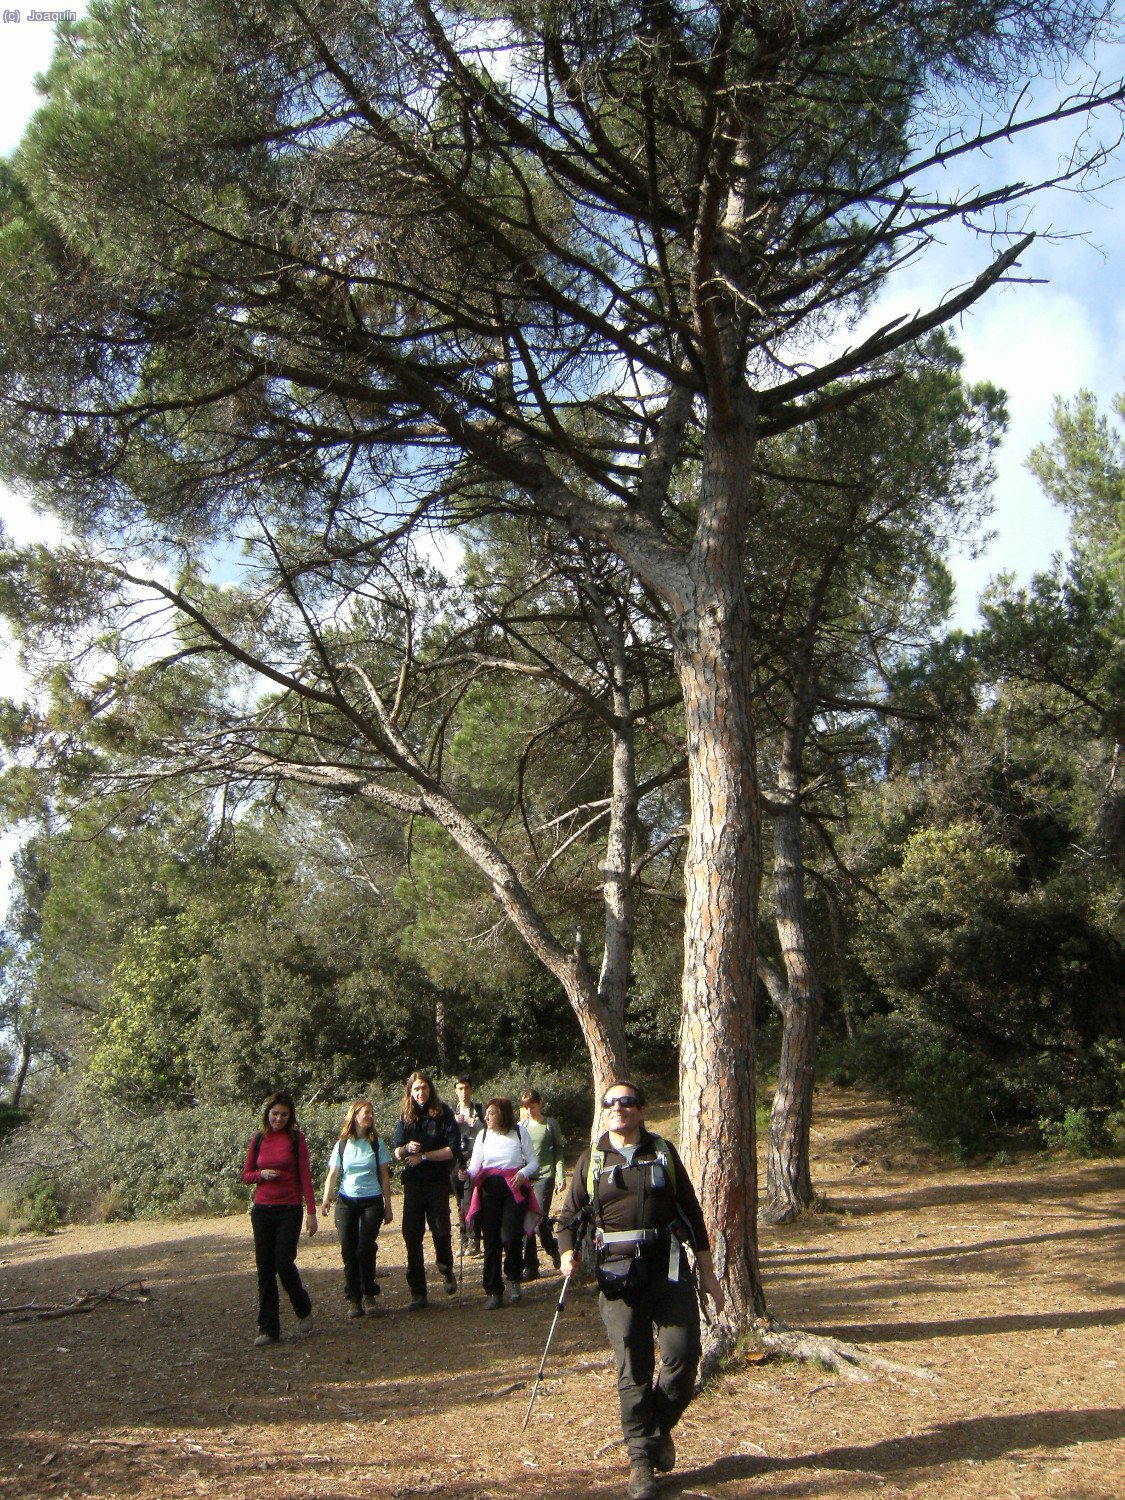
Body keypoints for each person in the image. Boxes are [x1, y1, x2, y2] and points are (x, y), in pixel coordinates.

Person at [557, 1081, 725, 1500]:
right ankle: (642, 1463)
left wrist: (707, 1274)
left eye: (627, 1102)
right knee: (632, 1369)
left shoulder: (663, 1152)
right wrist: (565, 1255)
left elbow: (692, 1211)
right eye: (611, 1102)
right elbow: (567, 1217)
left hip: (668, 1270)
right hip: (617, 1278)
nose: (619, 1108)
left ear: (641, 1110)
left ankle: (654, 1429)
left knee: (683, 1356)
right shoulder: (592, 1160)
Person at [242, 1089, 318, 1347]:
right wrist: (261, 1175)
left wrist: (311, 1212)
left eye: (284, 1115)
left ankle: (302, 1305)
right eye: (275, 1113)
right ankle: (268, 1328)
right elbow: (246, 1174)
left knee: (283, 1263)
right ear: (268, 1113)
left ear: (290, 1116)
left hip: (289, 1208)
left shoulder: (296, 1139)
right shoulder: (258, 1139)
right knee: (265, 1269)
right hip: (262, 1210)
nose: (279, 1118)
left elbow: (305, 1176)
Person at [391, 1071, 462, 1309]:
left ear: (430, 1089)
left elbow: (453, 1149)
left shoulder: (443, 1113)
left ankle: (445, 1268)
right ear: (410, 1092)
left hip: (437, 1181)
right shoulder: (406, 1115)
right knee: (412, 1235)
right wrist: (405, 1149)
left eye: (424, 1088)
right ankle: (418, 1292)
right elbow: (396, 1151)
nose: (420, 1093)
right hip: (413, 1183)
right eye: (416, 1089)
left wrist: (424, 1156)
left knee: (441, 1230)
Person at [320, 1098, 394, 1319]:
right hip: (346, 1201)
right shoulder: (342, 1144)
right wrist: (325, 1199)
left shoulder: (376, 1143)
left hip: (372, 1200)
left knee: (365, 1248)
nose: (370, 1116)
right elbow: (333, 1174)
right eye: (366, 1112)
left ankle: (369, 1291)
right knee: (348, 1250)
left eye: (372, 1112)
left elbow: (384, 1176)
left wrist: (388, 1207)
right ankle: (354, 1298)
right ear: (355, 1116)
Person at [464, 1095, 538, 1309]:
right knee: (491, 1241)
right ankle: (494, 1290)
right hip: (489, 1189)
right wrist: (465, 1174)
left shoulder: (518, 1132)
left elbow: (533, 1162)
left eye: (492, 1113)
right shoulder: (483, 1135)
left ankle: (514, 1279)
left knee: (511, 1236)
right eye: (486, 1113)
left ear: (503, 1114)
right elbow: (475, 1166)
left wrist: (523, 1173)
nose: (486, 1116)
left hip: (513, 1189)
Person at [518, 1088, 564, 1279]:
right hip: (526, 1178)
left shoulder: (550, 1125)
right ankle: (531, 1266)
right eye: (526, 1107)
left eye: (533, 1106)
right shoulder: (521, 1127)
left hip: (545, 1176)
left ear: (540, 1104)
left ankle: (554, 1249)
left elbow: (559, 1152)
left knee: (539, 1221)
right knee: (527, 1222)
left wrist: (560, 1175)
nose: (530, 1111)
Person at [451, 1075, 485, 1256]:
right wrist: (453, 1124)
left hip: (474, 1159)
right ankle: (464, 1239)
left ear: (471, 1090)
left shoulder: (479, 1109)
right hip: (456, 1159)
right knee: (459, 1202)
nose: (464, 1092)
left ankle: (474, 1240)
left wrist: (478, 1124)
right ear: (456, 1091)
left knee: (470, 1198)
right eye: (460, 1089)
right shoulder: (450, 1111)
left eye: (466, 1088)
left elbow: (489, 1131)